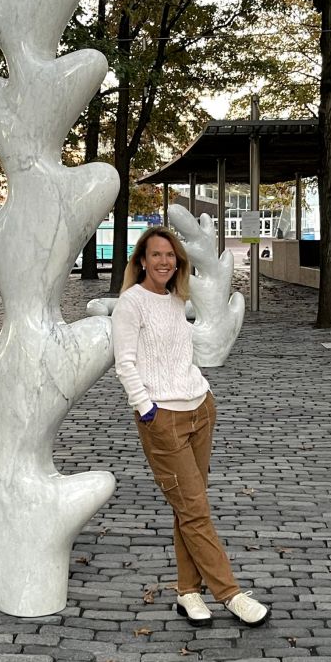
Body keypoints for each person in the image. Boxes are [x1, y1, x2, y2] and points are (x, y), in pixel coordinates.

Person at [111, 227, 271, 629]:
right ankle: (230, 593)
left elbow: (182, 352)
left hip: (200, 409)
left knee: (189, 507)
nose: (164, 261)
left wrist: (203, 391)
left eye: (170, 255)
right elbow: (125, 363)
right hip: (161, 418)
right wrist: (146, 408)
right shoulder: (131, 304)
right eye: (156, 255)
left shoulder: (176, 298)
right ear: (142, 261)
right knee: (196, 510)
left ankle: (188, 591)